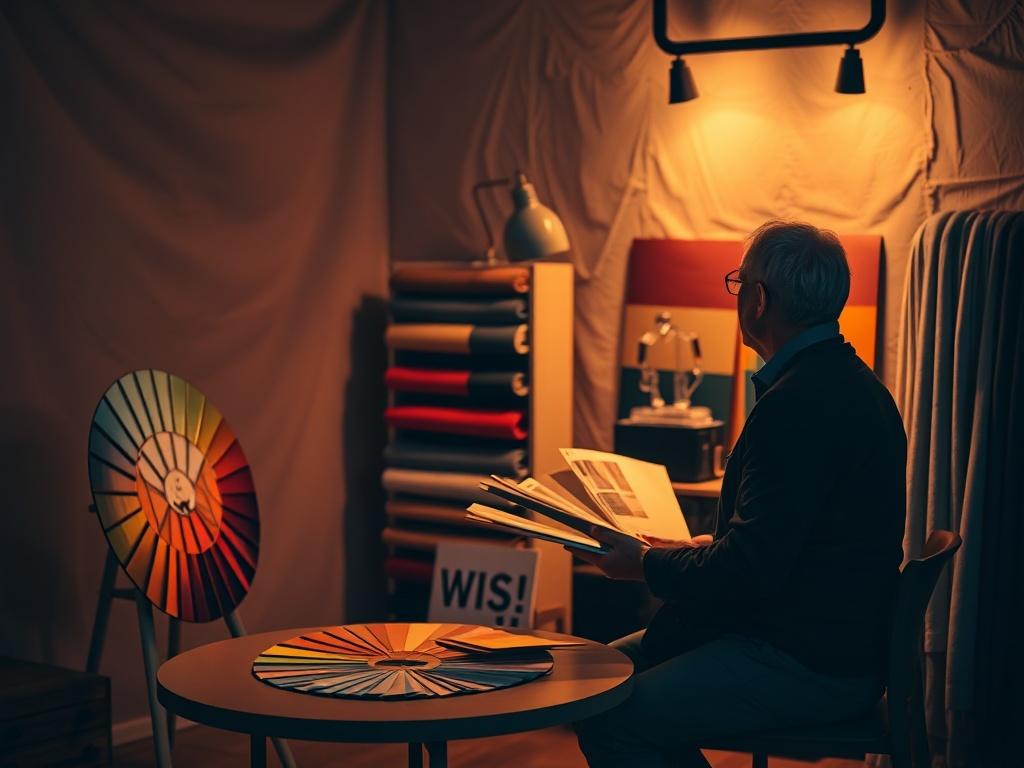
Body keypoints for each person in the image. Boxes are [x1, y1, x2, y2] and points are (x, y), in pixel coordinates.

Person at [573, 221, 907, 768]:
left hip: (804, 658)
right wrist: (682, 549)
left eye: (739, 283)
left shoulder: (796, 405)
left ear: (758, 300)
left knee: (611, 715)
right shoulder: (850, 384)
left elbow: (752, 568)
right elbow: (795, 539)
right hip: (831, 641)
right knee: (596, 675)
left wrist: (647, 565)